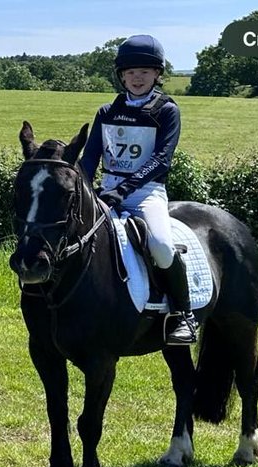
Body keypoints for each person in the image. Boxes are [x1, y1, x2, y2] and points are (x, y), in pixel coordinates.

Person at [78, 34, 196, 344]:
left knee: (159, 244)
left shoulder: (167, 110)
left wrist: (125, 189)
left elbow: (161, 160)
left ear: (158, 73)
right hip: (106, 190)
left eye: (144, 71)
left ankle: (183, 314)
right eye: (130, 72)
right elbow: (90, 158)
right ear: (122, 76)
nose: (137, 78)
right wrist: (80, 188)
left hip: (146, 193)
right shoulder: (106, 112)